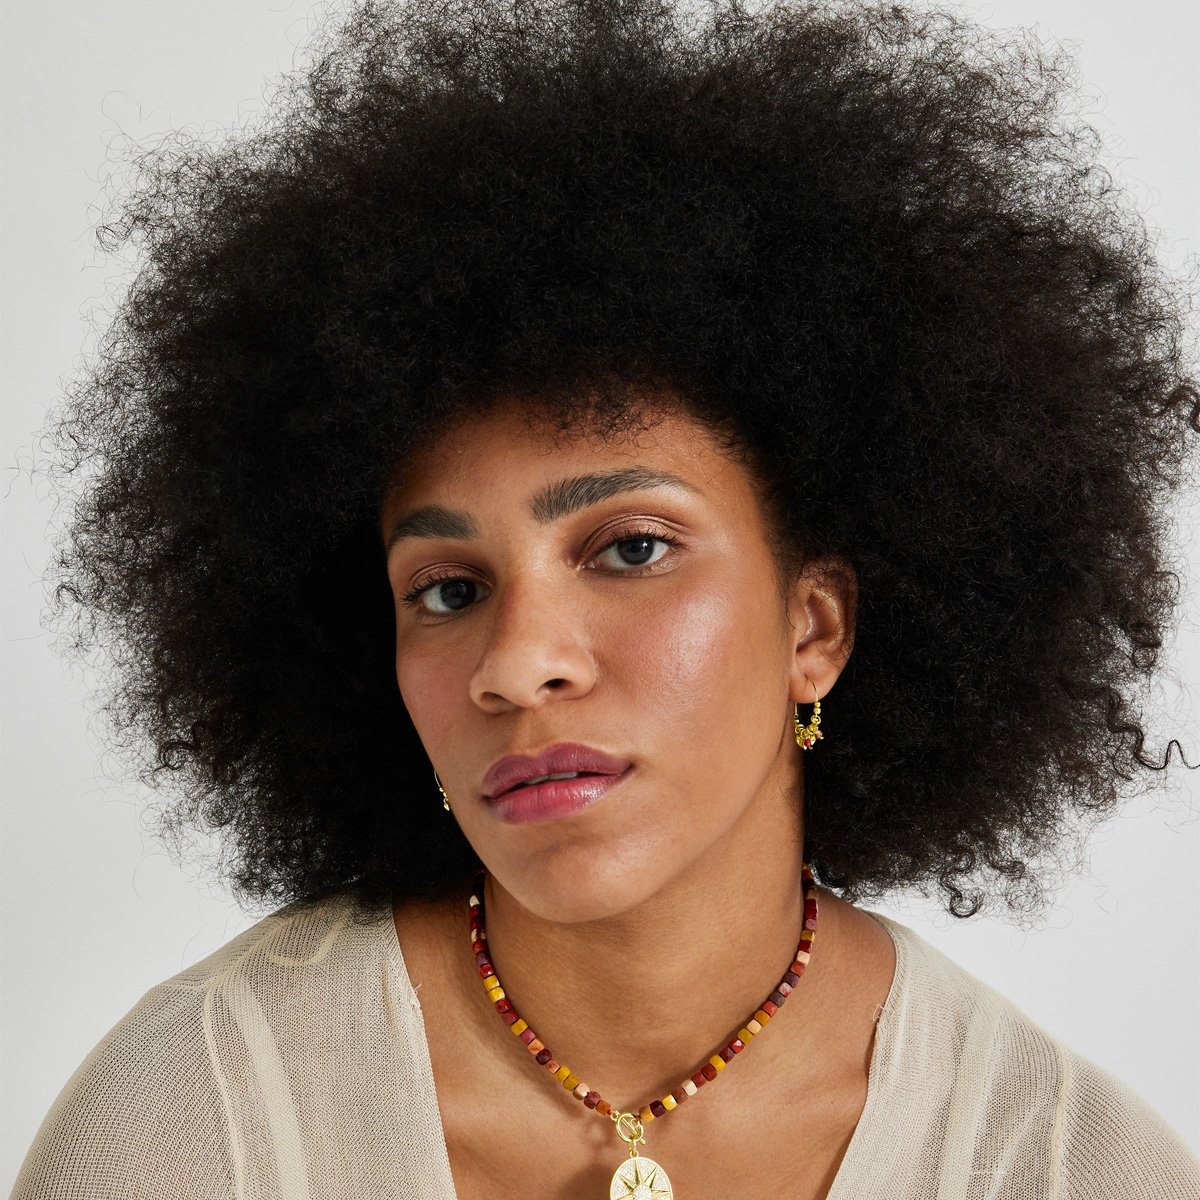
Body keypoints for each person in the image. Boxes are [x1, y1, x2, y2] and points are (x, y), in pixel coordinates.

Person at [11, 0, 1200, 1196]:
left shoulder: (1066, 1166)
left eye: (631, 549)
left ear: (815, 628)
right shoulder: (192, 1117)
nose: (516, 664)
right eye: (448, 589)